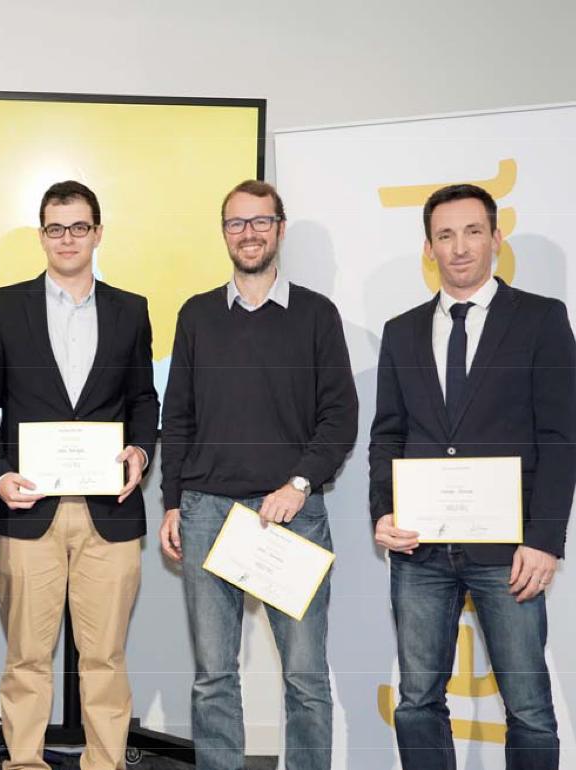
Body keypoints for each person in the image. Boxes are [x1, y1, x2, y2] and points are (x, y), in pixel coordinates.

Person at [369, 183, 575, 770]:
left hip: (509, 551)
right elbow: (388, 433)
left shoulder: (541, 319)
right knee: (416, 703)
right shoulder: (402, 330)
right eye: (445, 235)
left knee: (529, 710)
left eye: (472, 232)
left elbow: (561, 435)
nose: (459, 247)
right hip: (419, 548)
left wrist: (544, 539)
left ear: (496, 238)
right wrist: (382, 510)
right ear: (428, 248)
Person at [158, 179, 357, 770]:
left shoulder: (317, 315)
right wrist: (172, 502)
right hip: (207, 512)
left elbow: (340, 416)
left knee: (305, 677)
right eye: (236, 223)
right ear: (224, 233)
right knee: (212, 676)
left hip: (289, 514)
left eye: (260, 221)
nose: (248, 233)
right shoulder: (196, 315)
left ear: (280, 228)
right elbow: (178, 416)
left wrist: (298, 485)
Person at [0, 181, 157, 770]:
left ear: (97, 233)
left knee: (105, 658)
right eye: (56, 228)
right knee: (27, 657)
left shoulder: (131, 309)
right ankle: (24, 763)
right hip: (28, 510)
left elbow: (143, 398)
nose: (68, 239)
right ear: (42, 236)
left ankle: (105, 763)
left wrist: (140, 451)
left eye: (79, 227)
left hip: (111, 513)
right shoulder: (3, 307)